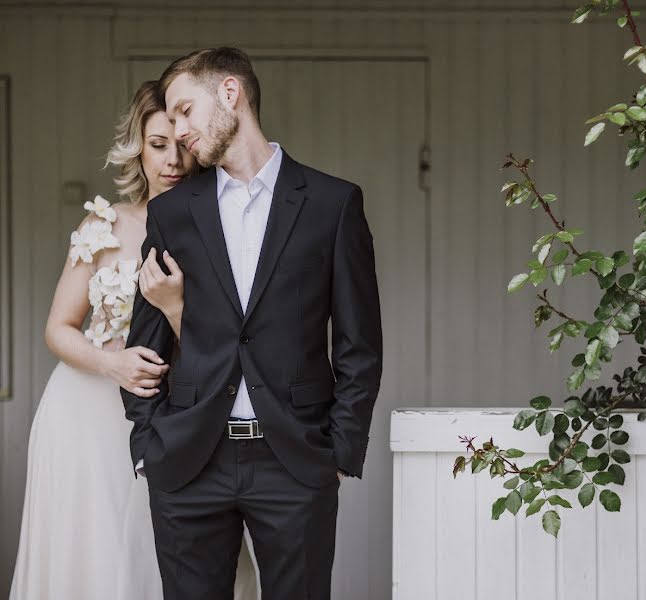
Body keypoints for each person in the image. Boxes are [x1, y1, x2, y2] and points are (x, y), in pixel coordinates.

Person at [122, 47, 383, 599]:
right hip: (190, 463)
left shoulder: (333, 205)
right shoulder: (171, 214)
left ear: (230, 94)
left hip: (295, 463)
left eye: (186, 111)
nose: (181, 131)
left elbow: (360, 346)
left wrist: (339, 451)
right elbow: (143, 348)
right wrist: (148, 444)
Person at [9, 80, 258, 600]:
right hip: (84, 416)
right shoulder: (105, 225)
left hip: (178, 413)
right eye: (157, 145)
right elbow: (57, 328)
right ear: (138, 149)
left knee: (174, 554)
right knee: (93, 556)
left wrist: (175, 308)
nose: (171, 160)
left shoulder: (223, 225)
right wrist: (113, 364)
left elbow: (231, 337)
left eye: (181, 145)